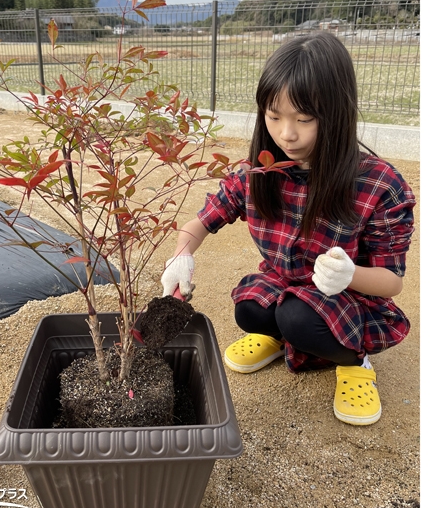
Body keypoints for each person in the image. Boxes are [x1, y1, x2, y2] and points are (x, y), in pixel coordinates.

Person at [160, 32, 416, 426]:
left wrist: (350, 274)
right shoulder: (259, 172)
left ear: (337, 112)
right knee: (249, 309)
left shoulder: (377, 184)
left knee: (299, 318)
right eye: (274, 117)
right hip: (285, 286)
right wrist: (182, 256)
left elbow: (391, 281)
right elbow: (201, 222)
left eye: (304, 119)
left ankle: (355, 362)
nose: (287, 134)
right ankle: (281, 338)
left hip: (349, 298)